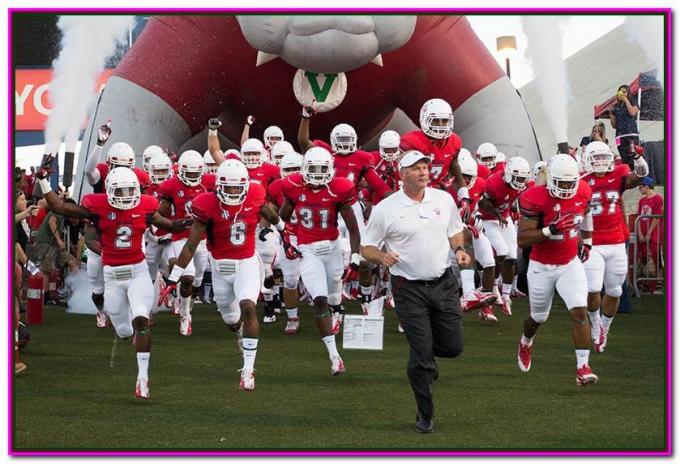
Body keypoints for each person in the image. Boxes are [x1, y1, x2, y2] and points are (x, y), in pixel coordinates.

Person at [35, 165, 190, 399]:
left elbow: (167, 224)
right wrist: (44, 181)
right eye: (121, 192)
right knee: (125, 331)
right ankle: (130, 336)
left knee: (141, 318)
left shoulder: (146, 205)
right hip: (113, 277)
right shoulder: (97, 207)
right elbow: (58, 206)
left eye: (130, 191)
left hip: (138, 272)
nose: (127, 197)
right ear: (109, 191)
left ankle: (143, 377)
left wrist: (184, 224)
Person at [361, 150, 471, 434]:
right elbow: (366, 247)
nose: (424, 172)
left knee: (453, 348)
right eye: (416, 168)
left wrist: (458, 249)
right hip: (407, 287)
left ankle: (423, 359)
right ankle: (425, 414)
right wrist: (381, 258)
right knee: (421, 357)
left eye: (425, 167)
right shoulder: (386, 208)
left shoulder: (444, 200)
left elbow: (455, 231)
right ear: (402, 174)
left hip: (444, 282)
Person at [168, 158, 287, 391]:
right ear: (218, 186)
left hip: (247, 263)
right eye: (228, 187)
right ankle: (240, 333)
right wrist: (176, 274)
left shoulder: (254, 194)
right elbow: (191, 245)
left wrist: (283, 229)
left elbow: (268, 212)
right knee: (232, 321)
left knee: (249, 307)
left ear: (245, 185)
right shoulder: (206, 204)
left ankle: (248, 369)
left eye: (237, 187)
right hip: (220, 267)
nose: (233, 192)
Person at [516, 154, 597, 386]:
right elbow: (523, 239)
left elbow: (586, 212)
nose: (565, 188)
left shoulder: (582, 191)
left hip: (569, 263)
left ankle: (582, 367)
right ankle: (526, 342)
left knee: (580, 312)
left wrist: (587, 240)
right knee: (538, 316)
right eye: (560, 183)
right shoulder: (534, 197)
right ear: (550, 178)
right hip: (542, 266)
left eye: (570, 183)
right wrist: (550, 229)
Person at [279, 147, 360, 374]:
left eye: (321, 169)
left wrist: (354, 258)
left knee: (334, 296)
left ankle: (337, 311)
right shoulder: (293, 187)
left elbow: (353, 229)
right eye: (312, 168)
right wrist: (286, 239)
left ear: (330, 170)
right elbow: (282, 219)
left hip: (333, 249)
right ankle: (335, 357)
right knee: (320, 300)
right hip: (308, 251)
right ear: (305, 168)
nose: (316, 174)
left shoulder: (340, 189)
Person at [581, 141, 649, 352]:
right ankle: (595, 324)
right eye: (597, 158)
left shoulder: (619, 173)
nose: (601, 162)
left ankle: (605, 328)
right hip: (593, 243)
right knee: (592, 289)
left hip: (617, 241)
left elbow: (639, 176)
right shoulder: (581, 181)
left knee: (614, 290)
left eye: (604, 158)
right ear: (588, 160)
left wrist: (638, 158)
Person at [159, 150, 215, 335]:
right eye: (188, 173)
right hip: (181, 236)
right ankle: (185, 315)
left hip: (202, 238)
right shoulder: (171, 186)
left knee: (197, 279)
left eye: (195, 173)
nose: (192, 177)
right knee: (188, 276)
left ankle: (186, 304)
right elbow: (162, 211)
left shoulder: (208, 182)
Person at [476, 157, 531, 317]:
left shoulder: (520, 184)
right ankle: (493, 287)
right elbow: (482, 203)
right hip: (488, 218)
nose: (520, 182)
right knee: (501, 251)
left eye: (523, 178)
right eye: (517, 178)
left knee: (512, 256)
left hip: (503, 216)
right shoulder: (494, 183)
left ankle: (506, 295)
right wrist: (497, 214)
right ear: (508, 174)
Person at [637, 176, 664, 293]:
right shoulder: (641, 200)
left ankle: (658, 283)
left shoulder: (658, 198)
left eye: (640, 186)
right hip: (643, 233)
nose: (639, 188)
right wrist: (640, 233)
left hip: (654, 234)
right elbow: (639, 217)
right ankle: (646, 284)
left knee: (656, 257)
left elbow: (657, 218)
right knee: (644, 257)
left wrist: (649, 233)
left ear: (646, 186)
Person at [609, 84, 640, 170]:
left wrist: (625, 100)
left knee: (633, 156)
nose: (621, 94)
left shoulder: (633, 101)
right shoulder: (617, 107)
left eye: (624, 92)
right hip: (619, 136)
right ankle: (628, 176)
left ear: (628, 93)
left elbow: (633, 112)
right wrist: (611, 115)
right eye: (620, 92)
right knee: (624, 158)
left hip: (631, 135)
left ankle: (636, 175)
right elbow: (614, 125)